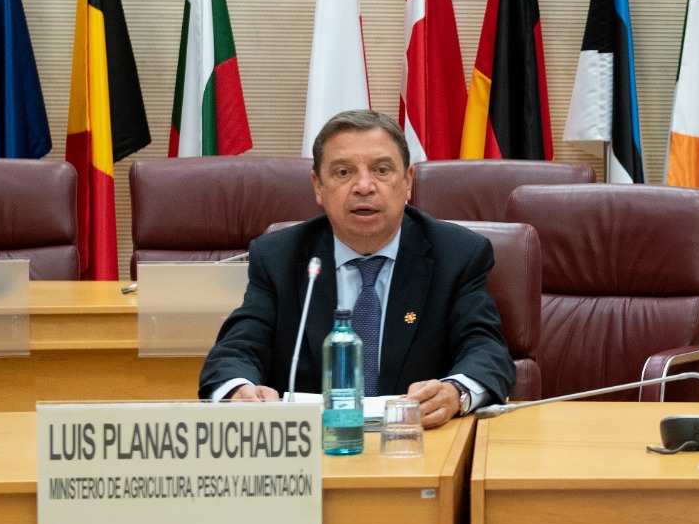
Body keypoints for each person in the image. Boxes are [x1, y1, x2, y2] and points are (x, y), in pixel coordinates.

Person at [199, 110, 515, 428]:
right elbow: (237, 349)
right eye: (343, 172)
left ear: (407, 181)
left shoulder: (457, 254)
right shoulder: (278, 256)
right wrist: (238, 390)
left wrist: (455, 392)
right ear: (318, 186)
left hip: (416, 441)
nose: (364, 186)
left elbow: (485, 349)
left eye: (381, 170)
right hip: (312, 446)